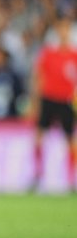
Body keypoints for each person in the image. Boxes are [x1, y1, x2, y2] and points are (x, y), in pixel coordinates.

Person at [31, 16, 77, 193]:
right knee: (38, 137)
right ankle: (37, 174)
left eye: (66, 29)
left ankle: (71, 179)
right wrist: (36, 101)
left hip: (66, 101)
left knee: (70, 140)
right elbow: (39, 77)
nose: (63, 32)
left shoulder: (74, 55)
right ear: (57, 32)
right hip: (48, 98)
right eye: (60, 29)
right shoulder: (49, 53)